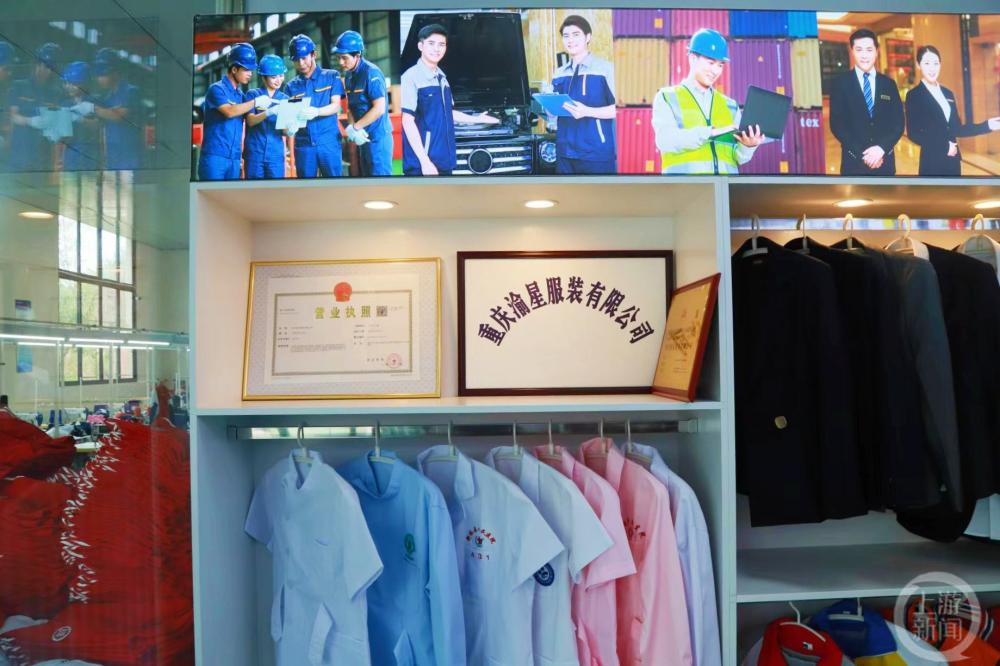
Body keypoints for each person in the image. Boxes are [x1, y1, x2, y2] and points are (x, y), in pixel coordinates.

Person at [651, 29, 763, 175]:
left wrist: (748, 146)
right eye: (711, 63)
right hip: (684, 186)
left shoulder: (730, 106)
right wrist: (709, 133)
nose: (715, 71)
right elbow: (665, 140)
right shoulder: (667, 97)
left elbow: (738, 158)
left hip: (725, 186)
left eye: (720, 65)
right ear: (692, 59)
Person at [400, 23, 500, 176]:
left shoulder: (443, 79)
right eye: (431, 43)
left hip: (445, 162)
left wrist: (477, 119)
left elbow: (449, 113)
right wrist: (425, 162)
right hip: (422, 166)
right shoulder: (410, 77)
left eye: (441, 44)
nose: (436, 49)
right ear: (420, 46)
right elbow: (407, 121)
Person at [905, 45, 1000, 177]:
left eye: (936, 63)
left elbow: (957, 129)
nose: (932, 68)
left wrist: (987, 125)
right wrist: (944, 147)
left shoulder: (948, 93)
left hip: (953, 161)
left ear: (940, 64)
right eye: (927, 63)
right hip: (932, 162)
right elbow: (913, 133)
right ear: (918, 65)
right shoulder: (914, 95)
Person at [829, 29, 904, 176]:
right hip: (853, 163)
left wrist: (881, 149)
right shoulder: (840, 83)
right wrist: (865, 155)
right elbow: (837, 125)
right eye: (859, 50)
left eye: (869, 50)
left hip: (885, 162)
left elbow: (898, 124)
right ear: (852, 51)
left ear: (876, 52)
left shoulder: (889, 84)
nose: (864, 55)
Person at [548, 15, 617, 174]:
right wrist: (548, 108)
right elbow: (554, 113)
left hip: (596, 154)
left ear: (588, 37)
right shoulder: (559, 73)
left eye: (576, 34)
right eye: (566, 36)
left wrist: (587, 111)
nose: (570, 40)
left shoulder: (606, 69)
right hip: (564, 153)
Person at [333, 30, 394, 177]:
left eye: (344, 58)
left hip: (378, 139)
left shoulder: (371, 73)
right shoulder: (349, 76)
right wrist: (352, 128)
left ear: (357, 55)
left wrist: (355, 127)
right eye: (338, 57)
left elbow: (379, 108)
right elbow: (351, 107)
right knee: (367, 181)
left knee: (380, 181)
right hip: (362, 137)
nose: (340, 62)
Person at [285, 34, 344, 178]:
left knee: (334, 185)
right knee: (306, 188)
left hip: (328, 143)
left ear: (313, 55)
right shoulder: (291, 87)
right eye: (296, 60)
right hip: (304, 146)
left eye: (304, 58)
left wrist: (317, 111)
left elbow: (336, 106)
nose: (301, 63)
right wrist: (289, 129)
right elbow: (288, 120)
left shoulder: (331, 76)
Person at [197, 42, 259, 181]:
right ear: (234, 69)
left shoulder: (241, 96)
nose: (250, 74)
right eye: (246, 69)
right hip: (215, 158)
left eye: (251, 70)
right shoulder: (217, 89)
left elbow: (250, 121)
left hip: (234, 159)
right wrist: (256, 102)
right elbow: (229, 112)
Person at [8, 42, 63, 173]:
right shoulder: (19, 86)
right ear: (36, 64)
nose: (44, 70)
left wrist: (57, 162)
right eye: (41, 65)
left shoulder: (56, 93)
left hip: (43, 157)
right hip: (21, 153)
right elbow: (13, 116)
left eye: (49, 67)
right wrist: (30, 121)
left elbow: (58, 126)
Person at [92, 48, 144, 171]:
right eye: (98, 75)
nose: (99, 79)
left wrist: (94, 109)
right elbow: (101, 126)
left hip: (129, 158)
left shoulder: (131, 91)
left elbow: (119, 115)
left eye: (103, 74)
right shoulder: (108, 98)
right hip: (112, 158)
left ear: (115, 72)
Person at [243, 54, 291, 180]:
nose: (278, 80)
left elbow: (284, 130)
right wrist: (268, 112)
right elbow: (250, 121)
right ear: (264, 78)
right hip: (255, 154)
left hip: (275, 155)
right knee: (254, 188)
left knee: (276, 189)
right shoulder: (253, 95)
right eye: (273, 77)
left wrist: (290, 130)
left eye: (281, 75)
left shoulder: (285, 99)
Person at [59, 61, 101, 172]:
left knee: (90, 183)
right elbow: (61, 137)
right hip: (70, 158)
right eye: (67, 83)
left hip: (91, 157)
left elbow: (98, 126)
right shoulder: (65, 104)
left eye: (73, 84)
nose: (69, 87)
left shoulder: (95, 102)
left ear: (85, 83)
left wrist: (79, 119)